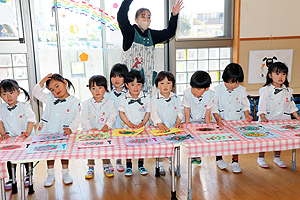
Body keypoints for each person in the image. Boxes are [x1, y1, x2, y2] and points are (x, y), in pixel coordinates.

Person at [117, 0, 184, 94]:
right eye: (143, 17)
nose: (146, 20)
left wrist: (174, 15)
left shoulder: (151, 35)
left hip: (147, 82)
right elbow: (121, 16)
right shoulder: (130, 32)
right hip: (130, 82)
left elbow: (169, 33)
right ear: (136, 20)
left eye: (148, 17)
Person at [33, 73, 81, 187]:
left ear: (65, 83)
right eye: (52, 89)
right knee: (50, 153)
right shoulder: (49, 98)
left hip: (63, 131)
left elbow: (77, 117)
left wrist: (71, 128)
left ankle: (65, 173)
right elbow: (36, 93)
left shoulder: (75, 101)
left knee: (64, 153)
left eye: (57, 86)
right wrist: (42, 81)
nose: (55, 91)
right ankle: (50, 174)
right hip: (48, 130)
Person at [257, 61, 300, 168]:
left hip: (282, 119)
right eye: (277, 73)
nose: (280, 76)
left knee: (279, 139)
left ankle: (277, 158)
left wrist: (298, 117)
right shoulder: (265, 90)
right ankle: (261, 158)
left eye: (283, 74)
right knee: (265, 139)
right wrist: (262, 116)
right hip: (268, 119)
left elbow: (291, 105)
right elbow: (261, 105)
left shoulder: (288, 91)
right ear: (270, 75)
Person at [212, 63, 252, 173]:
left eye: (237, 82)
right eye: (230, 82)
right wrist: (216, 116)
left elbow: (245, 104)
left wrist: (247, 115)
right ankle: (219, 159)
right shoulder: (217, 89)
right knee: (220, 140)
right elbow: (214, 105)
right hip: (221, 120)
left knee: (236, 141)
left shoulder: (242, 90)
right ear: (224, 79)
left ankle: (235, 161)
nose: (233, 85)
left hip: (236, 119)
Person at [0, 79, 36, 189]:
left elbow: (31, 120)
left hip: (24, 137)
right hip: (10, 138)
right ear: (1, 96)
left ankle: (28, 175)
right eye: (4, 94)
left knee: (26, 158)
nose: (8, 96)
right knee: (10, 158)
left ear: (18, 93)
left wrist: (28, 132)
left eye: (11, 92)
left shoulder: (25, 106)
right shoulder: (1, 108)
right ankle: (12, 178)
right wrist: (3, 134)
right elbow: (0, 122)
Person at [81, 75, 117, 178]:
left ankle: (106, 165)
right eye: (93, 88)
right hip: (91, 133)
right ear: (90, 90)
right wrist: (89, 129)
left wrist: (107, 125)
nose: (97, 91)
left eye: (100, 87)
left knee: (105, 149)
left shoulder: (110, 103)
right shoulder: (86, 104)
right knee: (90, 149)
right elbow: (83, 118)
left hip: (104, 132)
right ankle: (90, 168)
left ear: (105, 88)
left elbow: (113, 115)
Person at [118, 70, 150, 176]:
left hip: (142, 127)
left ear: (142, 85)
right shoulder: (123, 98)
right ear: (126, 85)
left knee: (142, 146)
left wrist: (143, 123)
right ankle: (128, 166)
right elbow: (121, 112)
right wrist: (129, 123)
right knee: (128, 146)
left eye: (138, 84)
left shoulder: (147, 97)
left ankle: (141, 165)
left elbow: (148, 112)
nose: (136, 87)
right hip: (128, 127)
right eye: (132, 84)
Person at [151, 71, 184, 175]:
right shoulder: (154, 99)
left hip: (172, 127)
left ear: (173, 85)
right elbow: (154, 113)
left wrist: (178, 121)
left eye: (168, 83)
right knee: (161, 147)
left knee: (173, 146)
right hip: (159, 128)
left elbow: (180, 110)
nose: (165, 86)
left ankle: (171, 164)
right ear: (157, 85)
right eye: (162, 83)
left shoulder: (176, 98)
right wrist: (160, 124)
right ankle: (160, 165)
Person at [182, 71, 216, 165]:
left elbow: (208, 110)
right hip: (191, 119)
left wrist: (207, 122)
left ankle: (198, 155)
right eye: (193, 87)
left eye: (198, 89)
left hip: (202, 119)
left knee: (200, 137)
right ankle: (194, 155)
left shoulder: (210, 95)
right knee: (192, 138)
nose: (195, 91)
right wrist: (187, 122)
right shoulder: (187, 94)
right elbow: (187, 109)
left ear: (206, 88)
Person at [105, 63, 129, 172]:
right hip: (109, 122)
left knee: (121, 142)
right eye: (114, 76)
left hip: (123, 122)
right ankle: (108, 162)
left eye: (120, 76)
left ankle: (119, 161)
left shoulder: (129, 92)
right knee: (109, 142)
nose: (116, 79)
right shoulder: (107, 93)